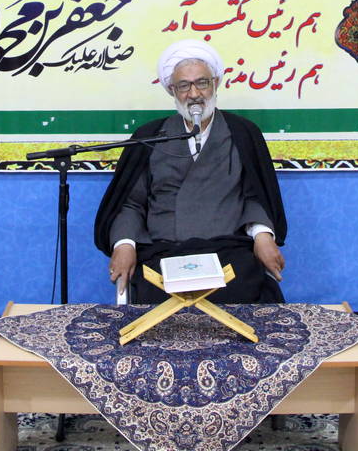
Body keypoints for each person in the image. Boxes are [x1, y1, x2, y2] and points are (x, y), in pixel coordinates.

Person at [93, 39, 288, 304]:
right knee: (152, 296)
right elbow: (131, 204)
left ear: (215, 83)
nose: (194, 93)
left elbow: (254, 197)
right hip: (164, 251)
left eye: (202, 83)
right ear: (172, 91)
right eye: (184, 86)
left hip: (226, 251)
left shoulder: (242, 133)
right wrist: (124, 244)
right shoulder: (150, 136)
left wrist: (262, 236)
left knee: (246, 291)